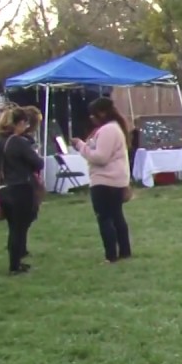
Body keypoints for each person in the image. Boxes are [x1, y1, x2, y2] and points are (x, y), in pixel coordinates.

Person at [72, 97, 133, 264]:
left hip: (105, 181)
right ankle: (125, 251)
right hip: (117, 180)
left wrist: (81, 146)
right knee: (117, 216)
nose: (91, 119)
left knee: (105, 218)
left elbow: (100, 157)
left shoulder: (108, 130)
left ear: (101, 113)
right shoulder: (116, 128)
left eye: (93, 115)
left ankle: (111, 255)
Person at [0, 108, 43, 275]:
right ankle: (15, 264)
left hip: (3, 187)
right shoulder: (18, 142)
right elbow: (38, 163)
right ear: (18, 123)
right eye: (24, 123)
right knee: (19, 228)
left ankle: (16, 261)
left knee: (13, 227)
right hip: (20, 187)